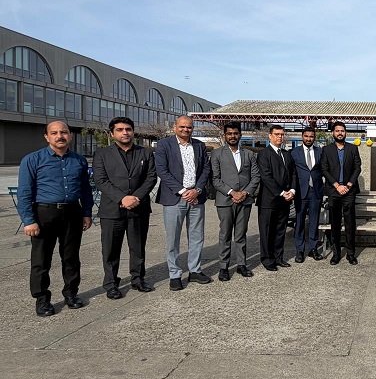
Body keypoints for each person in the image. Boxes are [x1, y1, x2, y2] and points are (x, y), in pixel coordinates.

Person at [17, 120, 93, 316]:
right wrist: (28, 220)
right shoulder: (32, 160)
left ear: (70, 135)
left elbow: (86, 190)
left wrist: (86, 213)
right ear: (46, 136)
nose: (60, 136)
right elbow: (24, 192)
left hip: (72, 213)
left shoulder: (79, 160)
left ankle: (71, 294)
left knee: (71, 258)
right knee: (41, 260)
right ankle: (42, 299)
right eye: (55, 133)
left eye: (64, 132)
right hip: (44, 214)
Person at [92, 117, 157, 298]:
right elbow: (100, 180)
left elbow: (151, 178)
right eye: (120, 130)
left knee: (138, 247)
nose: (125, 132)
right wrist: (122, 198)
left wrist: (136, 197)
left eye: (128, 129)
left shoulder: (145, 153)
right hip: (112, 210)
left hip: (138, 207)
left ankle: (138, 279)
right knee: (111, 249)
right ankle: (111, 283)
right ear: (112, 133)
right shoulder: (102, 154)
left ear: (133, 131)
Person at [154, 115, 213, 291]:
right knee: (173, 238)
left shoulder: (199, 145)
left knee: (196, 237)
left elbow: (205, 169)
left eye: (189, 127)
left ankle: (194, 270)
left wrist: (197, 190)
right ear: (175, 127)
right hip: (175, 198)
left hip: (196, 196)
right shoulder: (164, 145)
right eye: (182, 127)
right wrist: (182, 191)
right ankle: (175, 274)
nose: (186, 130)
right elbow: (162, 171)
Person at [211, 122, 259, 281]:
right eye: (229, 133)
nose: (233, 136)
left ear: (240, 134)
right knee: (225, 234)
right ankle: (223, 267)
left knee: (241, 234)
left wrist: (244, 193)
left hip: (245, 200)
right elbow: (215, 179)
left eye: (236, 133)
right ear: (225, 135)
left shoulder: (249, 154)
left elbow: (255, 177)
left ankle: (241, 264)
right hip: (225, 200)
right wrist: (232, 192)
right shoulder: (217, 154)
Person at [256, 124, 297, 271]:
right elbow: (266, 177)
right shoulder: (264, 154)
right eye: (277, 134)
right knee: (267, 231)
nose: (280, 137)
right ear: (270, 136)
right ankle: (268, 260)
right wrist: (281, 192)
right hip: (269, 200)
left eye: (282, 134)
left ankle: (279, 257)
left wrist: (292, 190)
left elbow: (293, 174)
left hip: (284, 201)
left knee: (281, 230)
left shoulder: (287, 154)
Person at [321, 121, 362, 265]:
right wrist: (337, 185)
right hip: (334, 191)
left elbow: (357, 167)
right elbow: (324, 169)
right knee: (335, 223)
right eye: (337, 130)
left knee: (350, 223)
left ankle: (351, 254)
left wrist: (349, 184)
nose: (340, 133)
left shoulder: (352, 148)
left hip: (349, 191)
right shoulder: (326, 150)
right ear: (333, 133)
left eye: (342, 131)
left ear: (346, 133)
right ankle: (336, 253)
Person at [291, 126, 324, 262]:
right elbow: (291, 173)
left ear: (314, 138)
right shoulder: (294, 153)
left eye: (311, 136)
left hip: (315, 192)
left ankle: (313, 249)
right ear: (302, 137)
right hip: (300, 192)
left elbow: (323, 170)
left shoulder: (320, 152)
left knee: (314, 222)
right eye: (306, 136)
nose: (309, 139)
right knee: (299, 222)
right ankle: (300, 250)